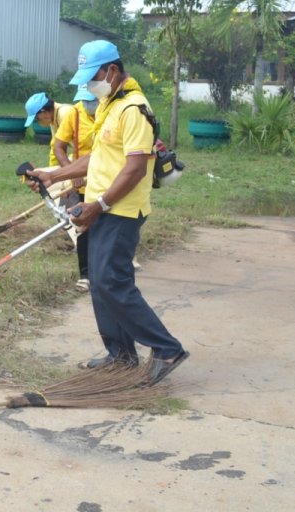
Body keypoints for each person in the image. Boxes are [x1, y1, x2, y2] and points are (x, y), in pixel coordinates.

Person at [29, 40, 188, 386]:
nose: (88, 85)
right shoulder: (108, 105)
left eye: (92, 77)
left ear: (112, 71)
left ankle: (167, 349)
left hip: (121, 210)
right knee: (100, 283)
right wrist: (53, 174)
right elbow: (97, 157)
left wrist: (99, 205)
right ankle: (121, 355)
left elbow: (134, 169)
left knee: (112, 281)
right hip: (100, 207)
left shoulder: (134, 109)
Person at [52, 85, 98, 291]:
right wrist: (72, 171)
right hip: (83, 180)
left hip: (108, 179)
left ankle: (108, 271)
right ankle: (86, 275)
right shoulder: (74, 114)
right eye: (85, 101)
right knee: (84, 226)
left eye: (92, 101)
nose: (89, 105)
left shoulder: (112, 112)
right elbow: (59, 146)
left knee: (108, 224)